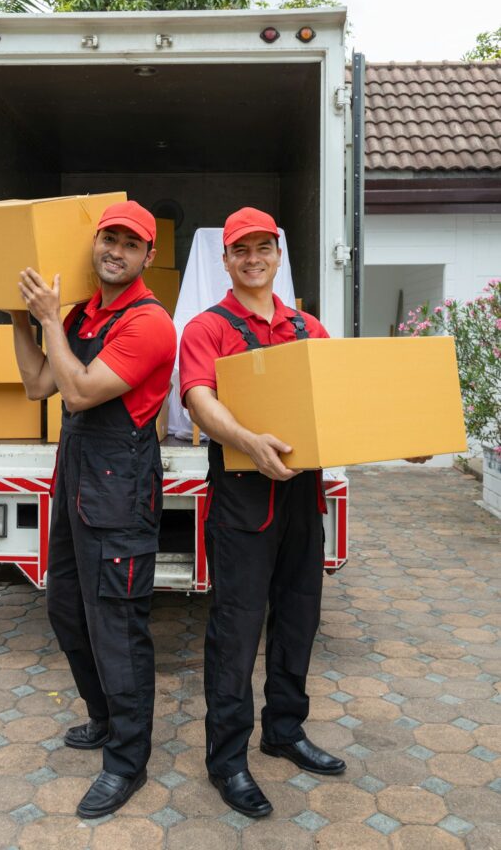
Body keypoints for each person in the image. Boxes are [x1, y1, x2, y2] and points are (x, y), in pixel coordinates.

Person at [9, 200, 176, 819]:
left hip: (121, 484)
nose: (115, 250)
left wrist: (50, 320)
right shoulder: (81, 314)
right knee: (66, 608)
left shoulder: (150, 323)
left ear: (148, 257)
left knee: (117, 624)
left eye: (130, 244)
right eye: (109, 238)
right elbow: (36, 386)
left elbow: (76, 392)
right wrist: (19, 319)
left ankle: (128, 760)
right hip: (78, 477)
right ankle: (105, 720)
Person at [179, 206, 346, 819]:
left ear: (278, 255)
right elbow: (199, 399)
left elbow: (342, 403)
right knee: (236, 632)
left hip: (303, 496)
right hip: (242, 501)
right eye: (240, 250)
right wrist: (248, 441)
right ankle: (227, 761)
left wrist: (402, 440)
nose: (253, 260)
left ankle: (284, 730)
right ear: (225, 260)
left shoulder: (310, 328)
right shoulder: (207, 328)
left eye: (263, 248)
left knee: (300, 617)